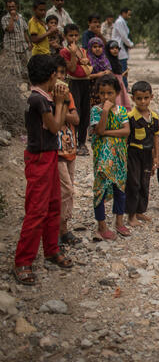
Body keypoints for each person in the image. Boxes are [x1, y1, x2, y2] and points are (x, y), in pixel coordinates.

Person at [14, 55, 73, 285]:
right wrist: (60, 102)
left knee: (53, 204)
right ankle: (23, 261)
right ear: (52, 76)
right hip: (39, 157)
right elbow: (55, 126)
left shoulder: (43, 97)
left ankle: (51, 249)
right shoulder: (39, 99)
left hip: (49, 155)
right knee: (37, 208)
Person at [90, 74, 130, 239]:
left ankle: (119, 222)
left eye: (110, 93)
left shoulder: (121, 111)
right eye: (102, 93)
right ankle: (102, 225)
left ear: (117, 93)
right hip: (102, 158)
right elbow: (98, 130)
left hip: (119, 156)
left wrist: (106, 133)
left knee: (120, 188)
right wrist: (105, 110)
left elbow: (126, 131)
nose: (106, 97)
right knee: (100, 189)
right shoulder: (96, 110)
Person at [52, 55, 80, 245]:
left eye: (63, 73)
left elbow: (75, 119)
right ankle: (58, 229)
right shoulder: (48, 97)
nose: (60, 77)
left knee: (68, 189)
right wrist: (62, 108)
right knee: (66, 190)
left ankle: (64, 229)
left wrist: (63, 109)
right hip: (56, 150)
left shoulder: (67, 96)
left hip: (70, 148)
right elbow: (56, 121)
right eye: (57, 73)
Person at [126, 81, 159, 227]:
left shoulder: (154, 117)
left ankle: (140, 210)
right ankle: (131, 215)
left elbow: (156, 137)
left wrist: (156, 156)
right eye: (139, 98)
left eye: (146, 98)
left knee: (145, 182)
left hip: (147, 154)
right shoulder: (130, 118)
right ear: (133, 99)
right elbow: (126, 138)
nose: (143, 101)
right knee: (133, 183)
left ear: (151, 97)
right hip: (134, 153)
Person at [60, 24, 93, 156]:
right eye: (70, 35)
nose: (73, 38)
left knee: (86, 113)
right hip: (74, 83)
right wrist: (73, 54)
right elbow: (72, 69)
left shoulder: (82, 50)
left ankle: (82, 143)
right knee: (76, 111)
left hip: (85, 82)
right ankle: (73, 141)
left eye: (75, 35)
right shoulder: (64, 52)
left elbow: (89, 66)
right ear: (65, 36)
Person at [1, 0, 31, 77]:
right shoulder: (4, 18)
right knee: (15, 70)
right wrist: (12, 17)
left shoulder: (21, 17)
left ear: (16, 6)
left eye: (13, 6)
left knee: (26, 67)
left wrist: (28, 43)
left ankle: (26, 84)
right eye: (9, 7)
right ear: (7, 8)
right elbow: (10, 29)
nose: (11, 8)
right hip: (11, 47)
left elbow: (25, 31)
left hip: (22, 46)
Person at [105, 40, 131, 110]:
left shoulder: (116, 60)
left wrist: (123, 75)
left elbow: (117, 74)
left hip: (120, 84)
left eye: (117, 48)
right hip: (113, 85)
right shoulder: (107, 61)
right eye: (112, 48)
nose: (115, 50)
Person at [87, 38, 113, 107]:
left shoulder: (105, 59)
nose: (97, 49)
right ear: (90, 48)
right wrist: (97, 75)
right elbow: (85, 76)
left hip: (104, 88)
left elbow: (109, 70)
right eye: (95, 47)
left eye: (100, 46)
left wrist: (108, 72)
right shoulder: (87, 60)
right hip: (92, 89)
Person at [112, 8, 133, 88]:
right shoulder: (119, 22)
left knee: (123, 69)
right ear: (123, 13)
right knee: (122, 70)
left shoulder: (122, 22)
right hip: (119, 49)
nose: (129, 16)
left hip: (122, 49)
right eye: (128, 14)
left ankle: (124, 87)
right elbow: (124, 36)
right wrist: (130, 44)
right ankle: (123, 87)